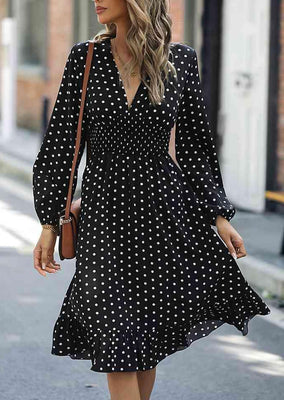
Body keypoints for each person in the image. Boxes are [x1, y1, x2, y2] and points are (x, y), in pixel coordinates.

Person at [32, 1, 271, 399]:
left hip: (162, 216)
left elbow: (195, 146)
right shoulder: (85, 58)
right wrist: (48, 222)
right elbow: (59, 146)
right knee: (115, 338)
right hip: (103, 220)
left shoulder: (179, 61)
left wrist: (219, 215)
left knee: (142, 341)